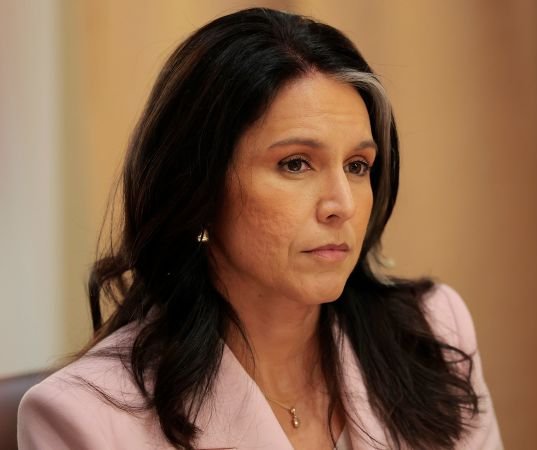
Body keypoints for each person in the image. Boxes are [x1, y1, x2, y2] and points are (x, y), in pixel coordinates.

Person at [17, 7, 502, 450]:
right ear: (199, 189)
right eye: (295, 164)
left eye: (357, 166)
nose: (341, 205)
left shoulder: (432, 332)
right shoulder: (84, 418)